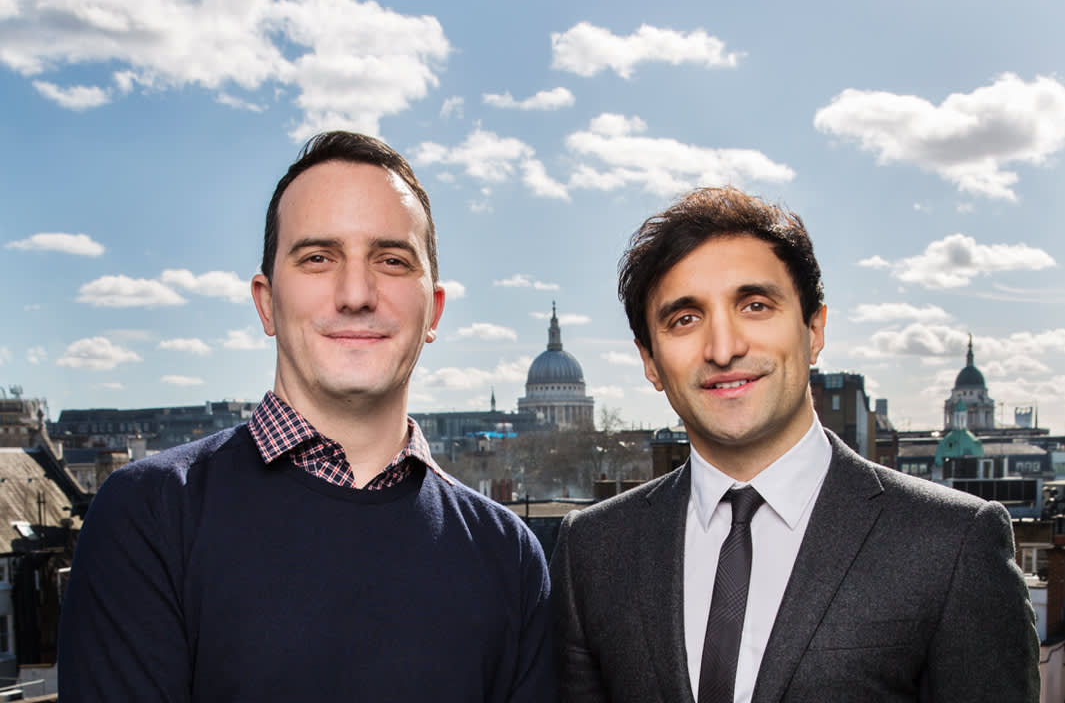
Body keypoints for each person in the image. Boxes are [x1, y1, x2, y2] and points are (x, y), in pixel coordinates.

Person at [58, 131, 557, 702]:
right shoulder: (149, 515)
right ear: (267, 302)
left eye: (391, 260)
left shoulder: (508, 555)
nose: (355, 293)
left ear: (433, 311)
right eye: (318, 258)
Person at [550, 187, 1039, 703]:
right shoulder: (593, 549)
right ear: (649, 360)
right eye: (685, 319)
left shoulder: (953, 543)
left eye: (755, 305)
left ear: (815, 329)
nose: (724, 348)